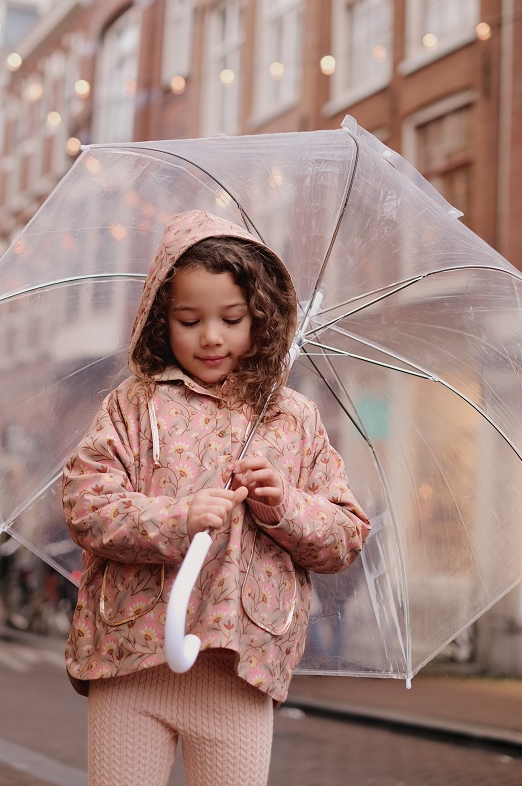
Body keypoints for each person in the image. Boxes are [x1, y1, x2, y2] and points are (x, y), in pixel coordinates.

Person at [62, 210, 371, 786]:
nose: (210, 336)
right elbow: (85, 503)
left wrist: (284, 505)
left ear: (261, 319)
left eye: (232, 319)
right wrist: (177, 517)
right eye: (188, 319)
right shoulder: (134, 404)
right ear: (161, 320)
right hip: (131, 655)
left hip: (242, 665)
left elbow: (346, 535)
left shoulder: (292, 417)